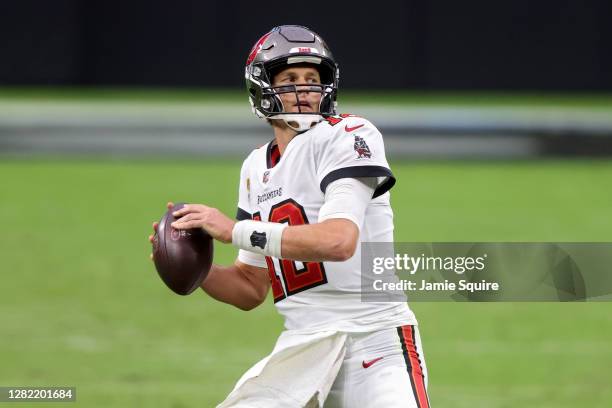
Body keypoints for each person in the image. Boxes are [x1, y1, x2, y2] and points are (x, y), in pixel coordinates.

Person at [149, 25, 429, 408]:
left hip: (374, 340)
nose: (303, 90)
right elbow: (250, 288)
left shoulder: (349, 134)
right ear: (262, 88)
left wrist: (235, 231)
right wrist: (194, 270)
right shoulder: (254, 167)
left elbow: (338, 241)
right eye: (290, 79)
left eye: (312, 79)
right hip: (302, 348)